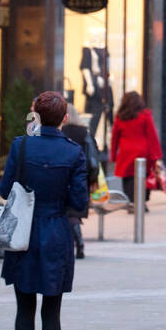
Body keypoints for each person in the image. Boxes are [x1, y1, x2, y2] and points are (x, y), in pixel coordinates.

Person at [0, 91, 88, 330]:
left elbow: (3, 188)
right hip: (55, 233)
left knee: (24, 306)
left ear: (34, 115)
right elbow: (79, 202)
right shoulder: (73, 152)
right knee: (52, 310)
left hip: (23, 233)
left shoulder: (20, 146)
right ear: (64, 118)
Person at [109, 91, 163, 207]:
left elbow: (115, 139)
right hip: (144, 152)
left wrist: (113, 155)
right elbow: (152, 135)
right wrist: (156, 155)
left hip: (126, 152)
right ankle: (141, 202)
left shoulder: (120, 117)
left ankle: (132, 202)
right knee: (144, 176)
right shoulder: (145, 115)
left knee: (128, 178)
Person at [61, 104, 100, 259]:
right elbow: (94, 157)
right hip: (83, 177)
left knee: (68, 212)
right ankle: (79, 243)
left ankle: (76, 242)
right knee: (74, 212)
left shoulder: (61, 133)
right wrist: (93, 178)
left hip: (64, 176)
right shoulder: (85, 133)